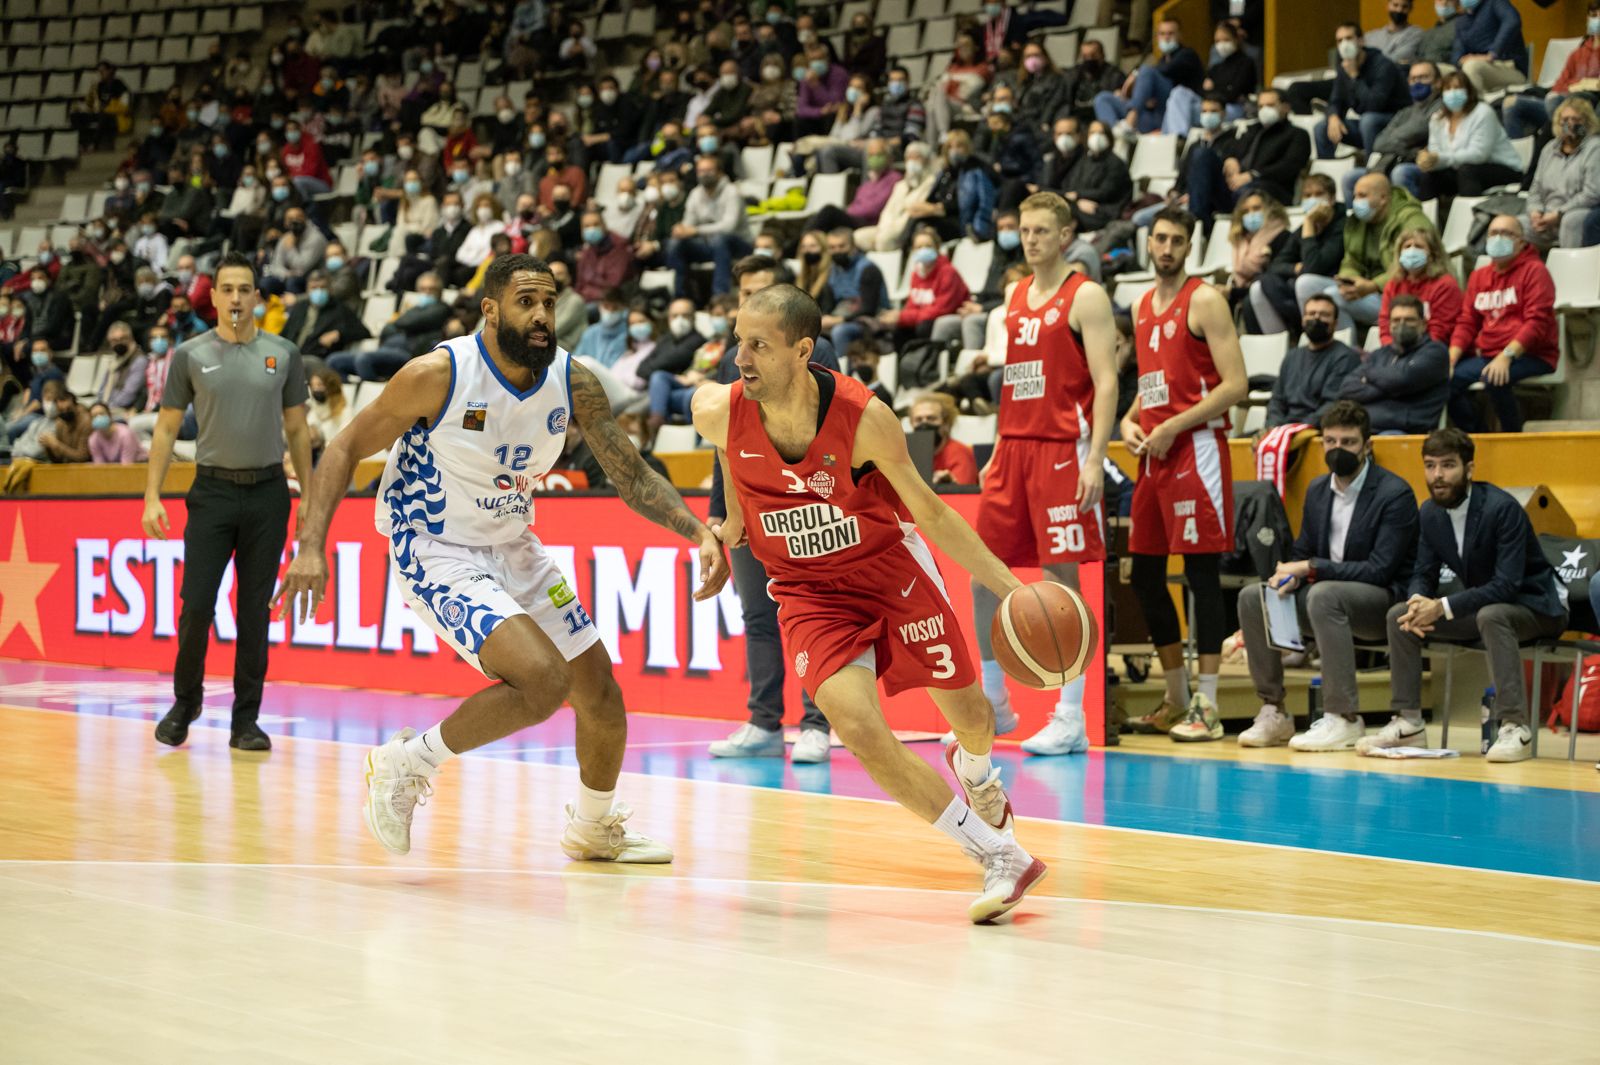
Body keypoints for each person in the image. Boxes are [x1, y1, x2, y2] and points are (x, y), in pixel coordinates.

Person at [275, 254, 732, 862]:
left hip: (513, 543)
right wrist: (311, 545)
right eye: (527, 303)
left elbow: (631, 474)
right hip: (434, 544)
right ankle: (405, 764)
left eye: (549, 303)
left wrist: (696, 529)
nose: (542, 316)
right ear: (490, 309)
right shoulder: (437, 373)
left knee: (601, 694)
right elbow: (343, 447)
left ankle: (593, 829)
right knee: (542, 680)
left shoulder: (573, 380)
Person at [690, 282, 1047, 924]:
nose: (740, 358)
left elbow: (932, 515)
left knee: (975, 719)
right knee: (858, 729)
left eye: (759, 346)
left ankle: (975, 768)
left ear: (802, 351)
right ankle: (998, 854)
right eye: (739, 341)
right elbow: (733, 464)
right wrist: (726, 534)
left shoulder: (864, 420)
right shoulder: (716, 408)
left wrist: (1012, 588)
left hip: (890, 571)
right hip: (807, 593)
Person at [955, 192, 1120, 756]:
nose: (1031, 239)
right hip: (1014, 448)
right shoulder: (1013, 296)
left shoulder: (1087, 296)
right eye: (1025, 230)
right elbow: (1014, 381)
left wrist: (1096, 455)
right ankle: (996, 704)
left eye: (1042, 230)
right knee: (982, 576)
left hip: (1061, 448)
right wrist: (1000, 445)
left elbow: (1106, 380)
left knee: (1060, 583)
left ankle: (1070, 716)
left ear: (1065, 235)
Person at [142, 252, 313, 752]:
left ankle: (246, 720)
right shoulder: (190, 354)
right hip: (211, 492)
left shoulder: (283, 353)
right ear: (213, 296)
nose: (237, 297)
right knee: (196, 605)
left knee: (254, 611)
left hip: (268, 494)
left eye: (245, 289)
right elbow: (167, 427)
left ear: (256, 297)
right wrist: (152, 494)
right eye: (227, 289)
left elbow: (298, 429)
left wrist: (310, 498)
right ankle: (186, 700)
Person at [1121, 207, 1249, 741]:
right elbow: (1154, 383)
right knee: (1145, 575)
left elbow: (1236, 384)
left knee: (1199, 576)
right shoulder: (1139, 305)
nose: (1166, 247)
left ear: (1189, 246)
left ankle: (1210, 705)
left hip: (1195, 447)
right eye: (1160, 238)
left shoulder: (1205, 299)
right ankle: (1175, 697)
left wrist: (1174, 424)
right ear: (1148, 243)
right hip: (1154, 452)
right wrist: (1131, 419)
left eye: (1177, 239)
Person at [703, 258, 837, 762]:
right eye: (743, 293)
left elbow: (830, 430)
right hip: (744, 507)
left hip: (800, 507)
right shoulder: (732, 358)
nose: (749, 303)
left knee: (811, 616)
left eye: (760, 292)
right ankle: (763, 722)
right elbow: (724, 443)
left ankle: (818, 723)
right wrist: (717, 517)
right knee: (757, 616)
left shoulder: (817, 350)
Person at [1367, 428, 1566, 761]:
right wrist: (1418, 600)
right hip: (1487, 609)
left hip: (1538, 606)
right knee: (1399, 614)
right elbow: (1423, 572)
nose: (1438, 475)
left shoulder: (1502, 509)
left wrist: (1442, 606)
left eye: (1448, 465)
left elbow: (1507, 585)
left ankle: (1515, 726)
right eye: (1430, 466)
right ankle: (1410, 722)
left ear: (1469, 469)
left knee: (1493, 614)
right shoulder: (1430, 513)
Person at [1237, 400, 1419, 749]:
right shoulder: (1319, 490)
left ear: (1367, 446)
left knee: (1325, 594)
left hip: (1379, 603)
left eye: (1348, 442)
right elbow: (1304, 552)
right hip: (1327, 602)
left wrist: (1311, 569)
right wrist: (1291, 576)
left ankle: (1343, 716)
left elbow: (1380, 569)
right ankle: (1274, 711)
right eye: (1331, 442)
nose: (1339, 450)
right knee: (1254, 596)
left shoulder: (1394, 494)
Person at [1447, 215, 1557, 434]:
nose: (1498, 238)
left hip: (1533, 354)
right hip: (1489, 354)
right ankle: (1479, 436)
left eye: (1506, 233)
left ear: (1522, 241)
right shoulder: (1479, 276)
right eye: (1493, 233)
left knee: (1495, 378)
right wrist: (1451, 358)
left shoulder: (1535, 271)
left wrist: (1507, 356)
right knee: (1445, 381)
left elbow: (1537, 322)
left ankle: (1512, 437)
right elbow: (1467, 321)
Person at [1297, 172, 1432, 332]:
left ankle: (1346, 351)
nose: (1356, 202)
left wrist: (1373, 286)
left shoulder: (1411, 219)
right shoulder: (1357, 222)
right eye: (1354, 197)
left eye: (1362, 196)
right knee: (1305, 284)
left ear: (1383, 198)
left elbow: (1413, 265)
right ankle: (1319, 341)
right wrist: (1349, 279)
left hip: (1398, 293)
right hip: (1366, 289)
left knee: (1332, 296)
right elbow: (1350, 260)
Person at [1389, 71, 1520, 202]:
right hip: (1460, 171)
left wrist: (1438, 158)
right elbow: (1437, 152)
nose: (1453, 93)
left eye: (1457, 88)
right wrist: (1428, 160)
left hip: (1502, 169)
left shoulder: (1483, 112)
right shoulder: (1437, 119)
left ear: (1468, 91)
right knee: (1430, 175)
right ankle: (1426, 218)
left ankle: (1471, 218)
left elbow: (1479, 155)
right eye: (1448, 89)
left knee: (1467, 170)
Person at [1339, 294, 1450, 433]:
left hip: (1405, 431)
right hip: (1365, 427)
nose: (1402, 324)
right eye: (1396, 320)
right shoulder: (1380, 353)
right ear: (1389, 325)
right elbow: (1347, 388)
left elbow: (1403, 380)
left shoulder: (1435, 352)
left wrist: (1369, 375)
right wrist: (1390, 385)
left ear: (1423, 324)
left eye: (1409, 320)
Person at [1502, 3, 1600, 142]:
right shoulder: (1578, 53)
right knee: (1511, 104)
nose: (1597, 20)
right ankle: (1518, 156)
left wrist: (1580, 86)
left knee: (1554, 101)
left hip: (1587, 107)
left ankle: (1567, 143)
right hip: (1559, 103)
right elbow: (1560, 84)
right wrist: (1576, 85)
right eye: (1594, 16)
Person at [1093, 18, 1204, 136]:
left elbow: (1166, 70)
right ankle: (1114, 137)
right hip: (1150, 114)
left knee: (1146, 71)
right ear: (1157, 37)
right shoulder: (1162, 60)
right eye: (1162, 34)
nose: (1166, 37)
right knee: (1103, 98)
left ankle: (1130, 121)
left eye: (1170, 33)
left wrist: (1137, 74)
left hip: (1173, 114)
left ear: (1180, 35)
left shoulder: (1187, 54)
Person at [1315, 22, 1409, 159]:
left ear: (1361, 40)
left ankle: (1373, 169)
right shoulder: (1344, 65)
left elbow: (1374, 104)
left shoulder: (1382, 65)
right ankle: (1325, 177)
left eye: (1349, 38)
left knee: (1368, 120)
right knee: (1322, 128)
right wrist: (1334, 116)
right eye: (1339, 40)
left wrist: (1354, 76)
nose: (1344, 44)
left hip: (1394, 123)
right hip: (1368, 125)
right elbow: (1336, 99)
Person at [1264, 294, 1360, 428]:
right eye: (1311, 313)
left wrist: (1299, 429)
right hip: (1284, 429)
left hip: (1317, 431)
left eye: (1324, 315)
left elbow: (1332, 405)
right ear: (1303, 320)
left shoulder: (1345, 357)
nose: (1316, 318)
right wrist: (1274, 428)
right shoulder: (1292, 356)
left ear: (1335, 323)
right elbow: (1276, 401)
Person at [665, 154, 751, 297]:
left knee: (720, 239)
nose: (705, 174)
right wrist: (681, 230)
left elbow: (729, 227)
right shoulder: (695, 194)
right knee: (676, 244)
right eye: (701, 171)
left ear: (719, 172)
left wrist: (695, 230)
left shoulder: (732, 192)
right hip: (709, 245)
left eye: (709, 170)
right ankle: (681, 297)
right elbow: (688, 224)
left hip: (739, 244)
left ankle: (720, 296)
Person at [1523, 98, 1600, 252]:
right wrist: (1535, 212)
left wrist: (1558, 214)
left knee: (1570, 221)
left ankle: (1569, 271)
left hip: (1577, 211)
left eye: (1576, 119)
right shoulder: (1549, 149)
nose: (1570, 124)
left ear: (1587, 122)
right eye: (1565, 119)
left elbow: (1592, 193)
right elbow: (1535, 188)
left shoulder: (1595, 147)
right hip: (1546, 214)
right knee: (1518, 224)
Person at [1449, 0, 1528, 98]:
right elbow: (1457, 52)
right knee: (1442, 71)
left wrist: (1492, 54)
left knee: (1471, 67)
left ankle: (1479, 109)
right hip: (1478, 66)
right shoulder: (1461, 20)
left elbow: (1512, 21)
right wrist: (1460, 60)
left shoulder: (1495, 2)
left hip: (1509, 68)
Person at [909, 394, 977, 486]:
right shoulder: (908, 455)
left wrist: (949, 484)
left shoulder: (960, 453)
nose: (924, 423)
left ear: (945, 423)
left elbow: (962, 494)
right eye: (918, 420)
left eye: (931, 418)